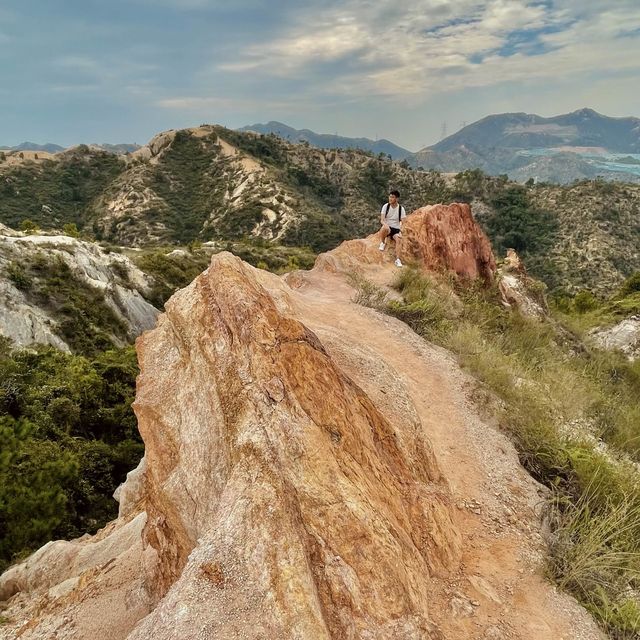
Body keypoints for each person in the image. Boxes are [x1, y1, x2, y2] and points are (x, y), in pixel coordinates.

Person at [378, 190, 405, 267]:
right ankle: (383, 242)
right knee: (385, 228)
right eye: (390, 196)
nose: (390, 199)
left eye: (392, 197)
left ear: (397, 199)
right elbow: (382, 220)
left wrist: (401, 231)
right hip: (387, 227)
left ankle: (397, 260)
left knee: (399, 240)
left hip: (396, 229)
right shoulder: (386, 206)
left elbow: (403, 222)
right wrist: (385, 225)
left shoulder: (401, 209)